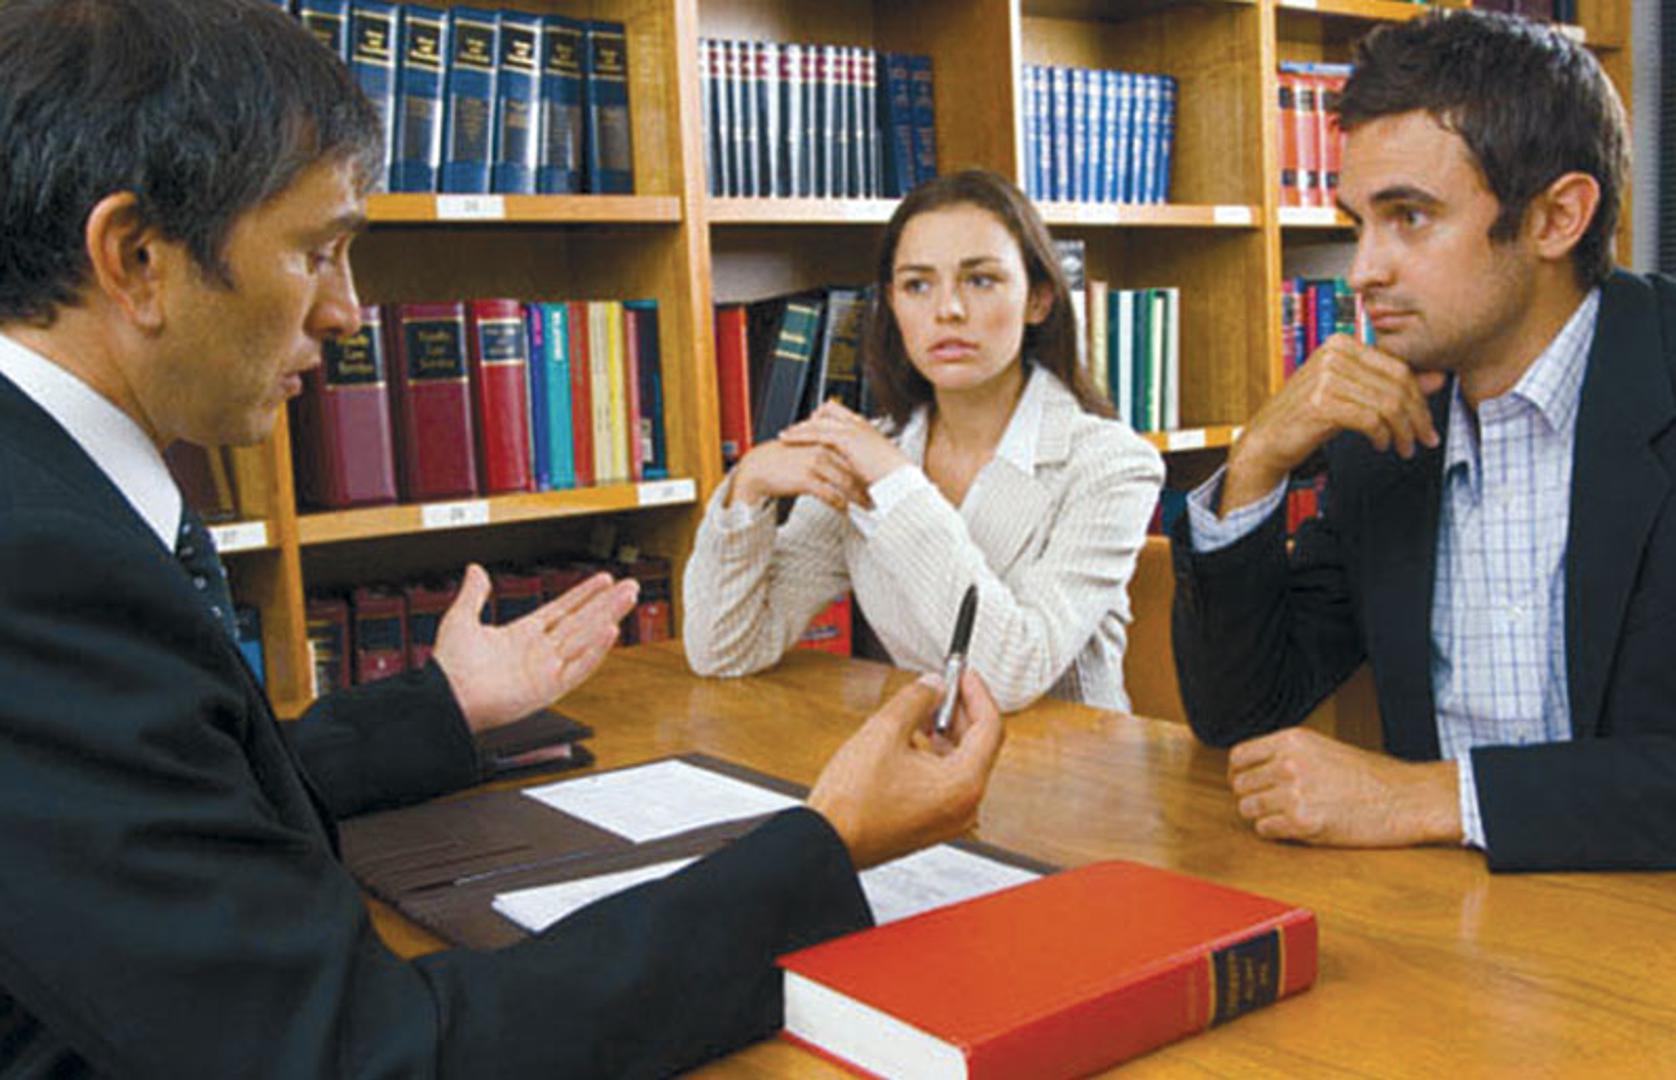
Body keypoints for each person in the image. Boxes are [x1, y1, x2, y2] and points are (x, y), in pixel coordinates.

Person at [0, 1, 1006, 1075]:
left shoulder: (51, 490)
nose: (346, 311)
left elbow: (167, 796)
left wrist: (442, 707)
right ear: (136, 258)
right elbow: (364, 1057)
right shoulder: (37, 567)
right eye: (317, 251)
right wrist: (827, 846)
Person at [1170, 10, 1675, 872]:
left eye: (1409, 217)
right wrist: (1258, 461)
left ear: (1558, 218)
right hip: (1442, 918)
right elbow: (1240, 713)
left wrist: (1429, 796)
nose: (1363, 271)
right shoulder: (1382, 430)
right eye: (1357, 224)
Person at [684, 169, 1165, 713]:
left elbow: (1012, 675)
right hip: (926, 751)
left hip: (1072, 759)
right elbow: (724, 650)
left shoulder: (1113, 464)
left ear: (1039, 299)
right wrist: (747, 486)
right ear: (891, 304)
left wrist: (898, 484)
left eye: (980, 280)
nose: (947, 310)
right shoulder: (872, 455)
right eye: (917, 285)